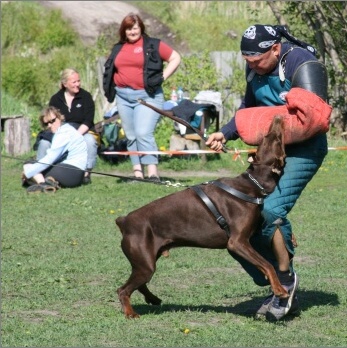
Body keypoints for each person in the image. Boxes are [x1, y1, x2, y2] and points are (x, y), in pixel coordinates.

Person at [205, 24, 328, 321]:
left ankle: (285, 280)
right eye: (248, 62)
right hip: (268, 152)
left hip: (304, 150)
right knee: (239, 223)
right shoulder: (254, 69)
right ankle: (271, 279)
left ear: (275, 49)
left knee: (271, 211)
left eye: (257, 60)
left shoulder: (300, 62)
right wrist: (225, 133)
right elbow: (249, 108)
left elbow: (314, 117)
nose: (253, 67)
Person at [103, 13, 181, 182]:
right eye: (129, 28)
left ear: (141, 28)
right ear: (124, 30)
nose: (132, 31)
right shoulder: (118, 48)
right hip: (123, 96)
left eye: (135, 28)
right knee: (131, 135)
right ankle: (138, 173)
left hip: (148, 96)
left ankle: (152, 173)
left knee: (143, 132)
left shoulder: (152, 45)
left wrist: (162, 77)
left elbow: (175, 58)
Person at [36, 68, 97, 185]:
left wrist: (75, 136)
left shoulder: (86, 97)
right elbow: (51, 121)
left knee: (90, 141)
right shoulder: (55, 99)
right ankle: (40, 172)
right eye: (74, 82)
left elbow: (88, 121)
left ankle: (86, 173)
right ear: (65, 84)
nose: (77, 84)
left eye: (78, 81)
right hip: (60, 131)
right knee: (44, 143)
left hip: (81, 130)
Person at [23, 107, 88, 193]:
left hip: (69, 173)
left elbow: (49, 159)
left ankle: (43, 184)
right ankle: (50, 181)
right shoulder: (69, 129)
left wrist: (27, 173)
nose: (50, 125)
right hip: (79, 175)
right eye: (46, 124)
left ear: (59, 117)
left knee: (28, 164)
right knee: (34, 166)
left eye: (52, 121)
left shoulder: (62, 134)